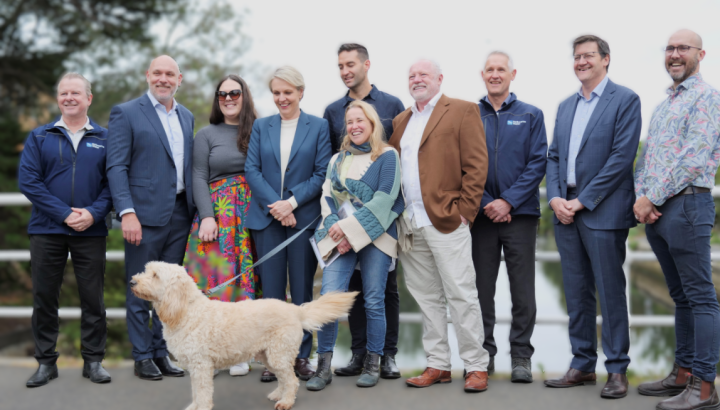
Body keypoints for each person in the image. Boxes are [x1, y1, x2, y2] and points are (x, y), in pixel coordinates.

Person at [544, 35, 641, 399]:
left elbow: (621, 157)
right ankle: (582, 364)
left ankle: (616, 369)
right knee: (576, 292)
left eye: (588, 56)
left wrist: (582, 201)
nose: (581, 61)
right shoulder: (566, 106)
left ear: (606, 60)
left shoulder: (625, 99)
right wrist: (555, 197)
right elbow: (554, 157)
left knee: (610, 292)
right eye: (576, 57)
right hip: (564, 211)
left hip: (602, 211)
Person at [388, 59, 490, 393]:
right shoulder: (401, 120)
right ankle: (438, 364)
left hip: (447, 219)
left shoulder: (461, 111)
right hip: (411, 222)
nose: (417, 79)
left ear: (439, 79)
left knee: (462, 294)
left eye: (423, 75)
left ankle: (475, 366)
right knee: (427, 298)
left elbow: (476, 164)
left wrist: (465, 212)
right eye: (411, 75)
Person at [634, 29, 720, 410]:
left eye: (682, 48)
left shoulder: (707, 98)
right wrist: (642, 198)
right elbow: (649, 158)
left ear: (700, 54)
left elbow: (695, 158)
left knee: (701, 298)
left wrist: (652, 196)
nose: (674, 54)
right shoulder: (663, 105)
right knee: (681, 297)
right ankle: (682, 374)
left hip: (687, 207)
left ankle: (703, 388)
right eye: (669, 48)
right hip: (658, 213)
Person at [19, 73, 113, 387]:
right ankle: (46, 363)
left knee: (93, 298)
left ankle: (94, 361)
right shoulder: (40, 136)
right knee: (44, 297)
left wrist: (93, 213)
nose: (69, 97)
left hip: (92, 229)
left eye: (75, 92)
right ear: (58, 99)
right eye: (63, 93)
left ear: (89, 98)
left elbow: (114, 185)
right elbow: (29, 182)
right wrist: (63, 215)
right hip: (47, 229)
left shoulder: (106, 138)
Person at [107, 55, 195, 380]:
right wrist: (127, 212)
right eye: (157, 72)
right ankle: (142, 355)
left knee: (168, 292)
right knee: (139, 288)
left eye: (169, 74)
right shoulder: (127, 112)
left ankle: (161, 352)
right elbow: (116, 165)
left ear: (179, 79)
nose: (163, 78)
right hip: (141, 218)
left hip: (180, 216)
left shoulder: (186, 116)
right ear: (147, 75)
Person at [306, 101, 404, 391]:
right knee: (328, 298)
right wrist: (337, 227)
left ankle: (373, 363)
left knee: (374, 298)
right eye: (350, 121)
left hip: (378, 235)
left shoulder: (387, 156)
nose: (355, 126)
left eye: (360, 120)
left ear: (372, 123)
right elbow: (327, 197)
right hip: (339, 235)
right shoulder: (338, 159)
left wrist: (350, 230)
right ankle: (323, 368)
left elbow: (385, 199)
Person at [322, 43, 405, 379]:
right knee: (343, 294)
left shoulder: (392, 111)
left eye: (350, 64)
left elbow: (387, 192)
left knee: (381, 294)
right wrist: (337, 228)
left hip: (378, 229)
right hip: (343, 229)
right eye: (340, 65)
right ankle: (350, 357)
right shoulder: (332, 114)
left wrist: (351, 230)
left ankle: (383, 357)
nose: (345, 70)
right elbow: (330, 190)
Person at [245, 66, 331, 383]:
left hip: (302, 220)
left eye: (288, 92)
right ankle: (272, 358)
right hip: (267, 220)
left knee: (302, 292)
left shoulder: (318, 127)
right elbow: (252, 170)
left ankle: (300, 357)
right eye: (277, 93)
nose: (282, 98)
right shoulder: (261, 127)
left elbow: (321, 173)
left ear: (300, 92)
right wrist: (277, 207)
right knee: (271, 295)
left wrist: (292, 203)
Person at [472, 51, 547, 383]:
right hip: (482, 216)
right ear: (482, 74)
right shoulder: (469, 115)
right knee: (480, 289)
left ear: (512, 74)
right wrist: (489, 202)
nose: (495, 74)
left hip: (521, 215)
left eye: (501, 69)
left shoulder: (531, 114)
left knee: (522, 289)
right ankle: (483, 356)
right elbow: (465, 164)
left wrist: (508, 202)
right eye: (490, 69)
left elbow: (538, 163)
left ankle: (521, 357)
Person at [183, 74, 259, 377]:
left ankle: (240, 352)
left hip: (250, 215)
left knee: (244, 282)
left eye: (235, 93)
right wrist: (207, 216)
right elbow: (198, 176)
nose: (228, 98)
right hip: (216, 214)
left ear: (245, 96)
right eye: (222, 93)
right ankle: (208, 355)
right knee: (211, 281)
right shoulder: (206, 134)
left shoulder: (259, 130)